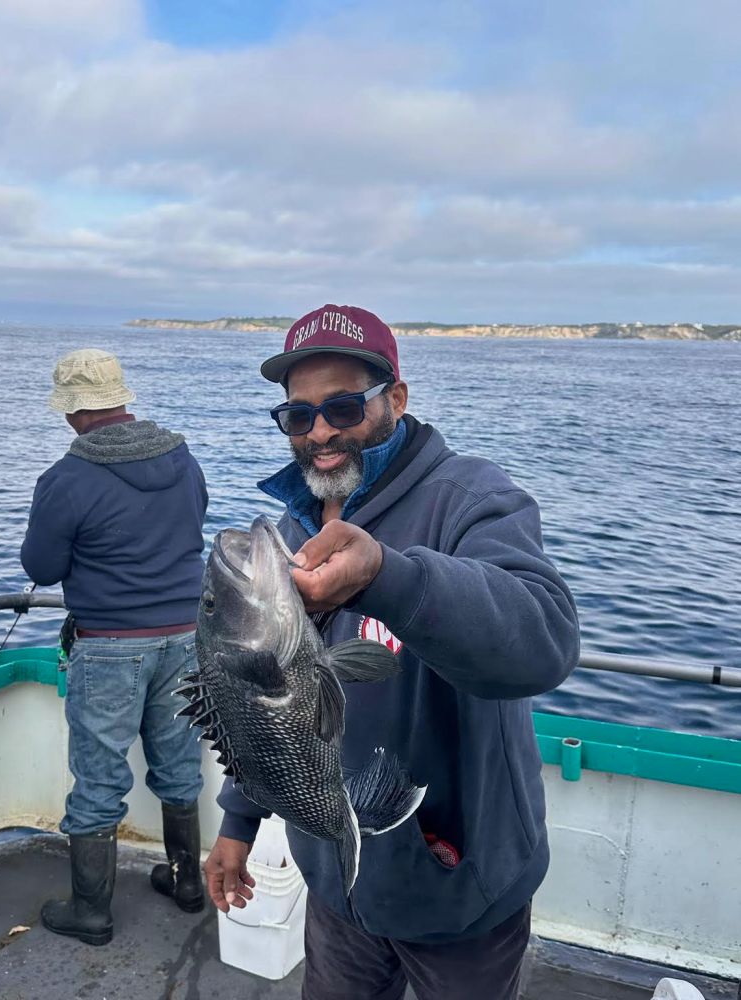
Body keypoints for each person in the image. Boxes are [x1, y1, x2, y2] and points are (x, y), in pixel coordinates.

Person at [204, 305, 580, 999]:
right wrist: (238, 821)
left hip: (461, 890)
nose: (319, 433)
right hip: (337, 883)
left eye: (343, 408)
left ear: (396, 399)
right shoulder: (294, 521)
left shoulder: (470, 498)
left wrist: (387, 577)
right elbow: (260, 696)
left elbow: (544, 643)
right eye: (298, 416)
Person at [21, 348, 209, 947]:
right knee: (178, 765)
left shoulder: (66, 478)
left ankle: (92, 912)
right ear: (120, 399)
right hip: (186, 638)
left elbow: (41, 567)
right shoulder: (182, 458)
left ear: (74, 412)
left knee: (99, 781)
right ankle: (186, 883)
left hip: (108, 647)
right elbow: (193, 525)